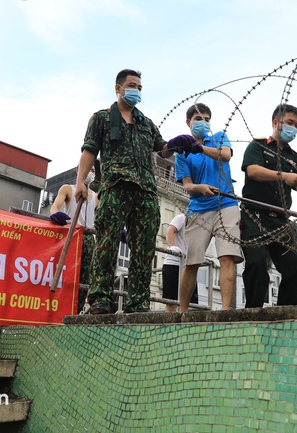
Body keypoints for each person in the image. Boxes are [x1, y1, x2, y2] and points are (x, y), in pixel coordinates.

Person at [74, 69, 197, 314]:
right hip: (115, 188)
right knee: (107, 244)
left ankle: (139, 302)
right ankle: (100, 299)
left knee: (144, 248)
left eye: (140, 87)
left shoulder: (146, 123)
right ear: (118, 88)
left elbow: (162, 150)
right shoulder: (102, 118)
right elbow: (89, 151)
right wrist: (81, 182)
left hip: (146, 192)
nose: (136, 91)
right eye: (132, 86)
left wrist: (176, 143)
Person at [240, 103, 297, 308]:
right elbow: (253, 171)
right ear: (276, 122)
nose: (294, 128)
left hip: (282, 220)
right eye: (290, 123)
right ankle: (253, 313)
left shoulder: (294, 158)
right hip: (255, 215)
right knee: (256, 264)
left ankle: (285, 312)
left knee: (296, 266)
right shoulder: (258, 146)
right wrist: (284, 177)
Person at [175, 103, 243, 312]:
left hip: (227, 204)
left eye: (206, 118)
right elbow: (186, 184)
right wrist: (199, 187)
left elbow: (225, 155)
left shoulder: (219, 137)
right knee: (192, 262)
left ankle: (224, 312)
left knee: (227, 257)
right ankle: (182, 312)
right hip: (198, 208)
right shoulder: (182, 153)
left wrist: (200, 148)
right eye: (198, 119)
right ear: (188, 122)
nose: (203, 122)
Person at [49, 165, 99, 313]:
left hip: (89, 239)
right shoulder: (67, 189)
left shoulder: (96, 197)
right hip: (72, 236)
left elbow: (103, 216)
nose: (89, 173)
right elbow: (55, 206)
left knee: (84, 279)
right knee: (67, 274)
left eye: (93, 171)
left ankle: (75, 311)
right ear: (78, 171)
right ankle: (59, 308)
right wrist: (55, 214)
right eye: (87, 169)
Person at [162, 213, 198, 312]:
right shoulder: (182, 217)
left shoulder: (200, 224)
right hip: (173, 263)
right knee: (171, 302)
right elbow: (170, 230)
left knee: (191, 304)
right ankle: (169, 325)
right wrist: (172, 246)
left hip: (188, 265)